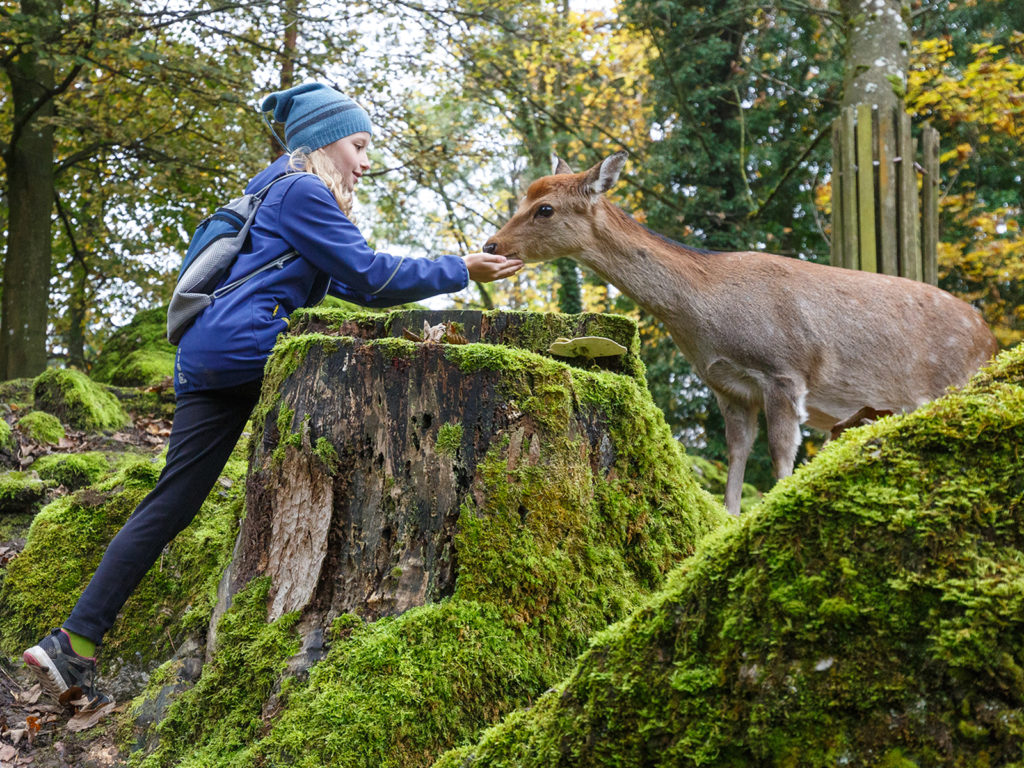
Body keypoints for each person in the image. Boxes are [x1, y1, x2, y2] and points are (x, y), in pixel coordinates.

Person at [22, 82, 523, 706]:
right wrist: (459, 268)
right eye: (359, 145)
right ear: (322, 143)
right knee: (352, 382)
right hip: (247, 347)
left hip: (205, 357)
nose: (366, 162)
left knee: (171, 504)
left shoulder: (271, 191)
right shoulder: (302, 191)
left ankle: (73, 643)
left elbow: (359, 287)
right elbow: (370, 275)